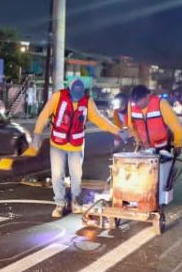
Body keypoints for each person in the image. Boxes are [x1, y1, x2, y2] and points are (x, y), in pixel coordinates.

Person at [32, 78, 122, 218]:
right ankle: (60, 204)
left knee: (76, 175)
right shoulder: (58, 97)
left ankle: (74, 202)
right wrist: (37, 133)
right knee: (57, 175)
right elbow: (44, 114)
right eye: (74, 95)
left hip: (76, 144)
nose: (76, 99)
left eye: (79, 95)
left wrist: (116, 130)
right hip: (57, 143)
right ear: (69, 90)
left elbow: (99, 119)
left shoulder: (87, 102)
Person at [125, 85, 182, 207]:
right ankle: (143, 198)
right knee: (143, 174)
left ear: (148, 96)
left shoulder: (160, 104)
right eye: (135, 101)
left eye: (140, 100)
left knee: (159, 176)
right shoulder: (132, 107)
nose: (138, 104)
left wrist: (178, 144)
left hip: (161, 147)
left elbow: (175, 125)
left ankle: (157, 201)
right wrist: (138, 140)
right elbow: (131, 126)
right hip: (145, 148)